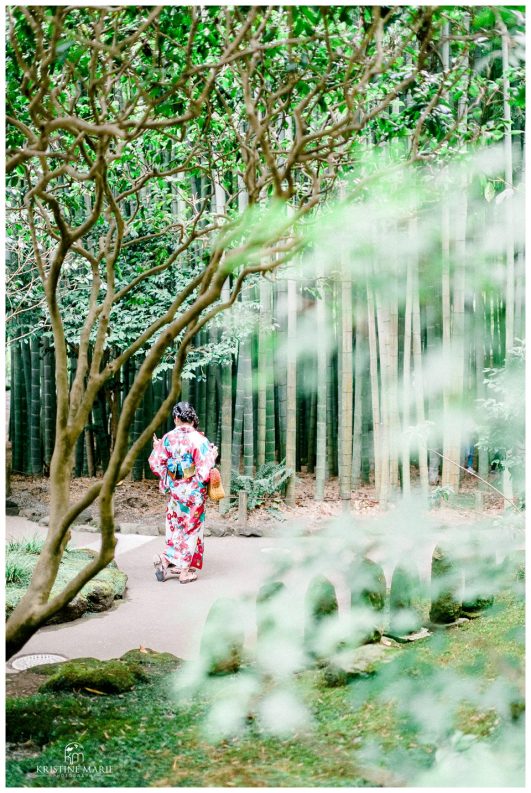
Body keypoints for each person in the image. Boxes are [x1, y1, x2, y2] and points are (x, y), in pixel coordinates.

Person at [148, 401, 218, 583]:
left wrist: (169, 478)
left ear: (177, 418)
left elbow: (155, 463)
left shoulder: (167, 438)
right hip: (193, 493)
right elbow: (203, 472)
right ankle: (185, 571)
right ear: (192, 419)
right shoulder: (200, 440)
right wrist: (212, 456)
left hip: (176, 491)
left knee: (174, 526)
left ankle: (165, 560)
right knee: (191, 528)